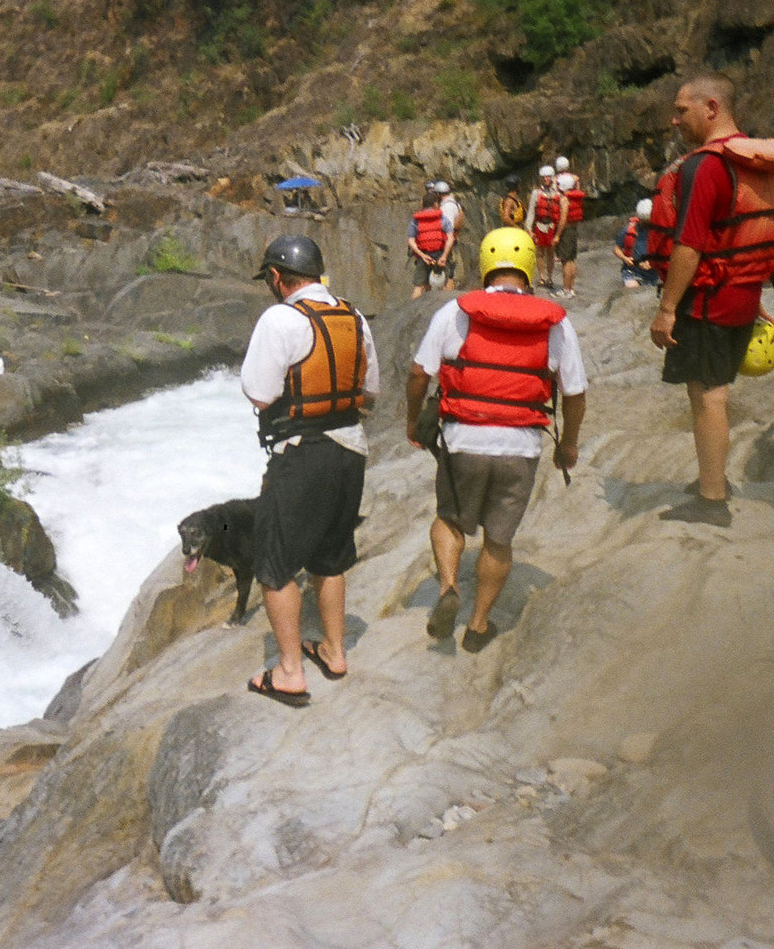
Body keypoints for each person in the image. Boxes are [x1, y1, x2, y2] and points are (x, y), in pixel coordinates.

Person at [405, 228, 587, 653]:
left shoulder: (456, 312)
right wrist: (569, 445)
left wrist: (413, 423)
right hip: (520, 448)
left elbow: (419, 375)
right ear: (527, 269)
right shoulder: (555, 322)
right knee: (499, 541)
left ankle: (449, 586)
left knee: (449, 519)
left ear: (486, 266)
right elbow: (575, 395)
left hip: (463, 440)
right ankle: (478, 624)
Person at [646, 71, 774, 527]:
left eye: (681, 109)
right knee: (715, 391)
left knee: (709, 395)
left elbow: (689, 244)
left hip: (710, 301)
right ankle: (711, 478)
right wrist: (753, 301)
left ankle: (712, 499)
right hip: (744, 295)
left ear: (710, 107)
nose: (675, 120)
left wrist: (667, 308)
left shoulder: (705, 166)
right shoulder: (758, 161)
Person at [242, 234, 380, 706]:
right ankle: (335, 652)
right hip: (351, 450)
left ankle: (289, 672)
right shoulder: (353, 316)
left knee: (276, 561)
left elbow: (260, 393)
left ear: (277, 278)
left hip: (301, 452)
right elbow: (371, 389)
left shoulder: (280, 318)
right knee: (331, 553)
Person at [524, 166, 564, 289]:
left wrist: (559, 232)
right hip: (540, 226)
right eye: (544, 177)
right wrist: (528, 228)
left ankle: (550, 277)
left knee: (551, 253)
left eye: (548, 177)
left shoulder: (557, 194)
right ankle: (542, 276)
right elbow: (531, 212)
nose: (546, 179)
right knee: (540, 253)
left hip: (552, 226)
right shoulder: (536, 193)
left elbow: (562, 213)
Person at [407, 191, 451, 299]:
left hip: (424, 256)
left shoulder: (416, 221)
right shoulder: (443, 219)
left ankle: (413, 312)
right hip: (440, 254)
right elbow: (450, 238)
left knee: (419, 287)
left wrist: (422, 255)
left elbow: (411, 241)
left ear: (422, 205)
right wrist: (444, 256)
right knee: (445, 284)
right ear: (436, 204)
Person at [554, 157, 586, 298]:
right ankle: (571, 288)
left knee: (565, 261)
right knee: (571, 259)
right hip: (573, 229)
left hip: (566, 230)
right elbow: (575, 184)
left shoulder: (564, 199)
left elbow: (562, 219)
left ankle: (566, 290)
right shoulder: (574, 195)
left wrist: (557, 235)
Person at [615, 198, 657, 289]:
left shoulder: (659, 232)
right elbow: (616, 249)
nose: (646, 223)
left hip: (653, 272)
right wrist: (625, 258)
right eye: (644, 220)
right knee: (631, 286)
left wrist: (652, 263)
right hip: (632, 271)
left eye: (648, 220)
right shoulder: (628, 230)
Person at [435, 180, 463, 289]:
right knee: (448, 273)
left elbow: (448, 227)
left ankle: (447, 298)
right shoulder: (455, 204)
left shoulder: (447, 206)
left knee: (447, 275)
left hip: (447, 244)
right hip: (451, 242)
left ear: (438, 194)